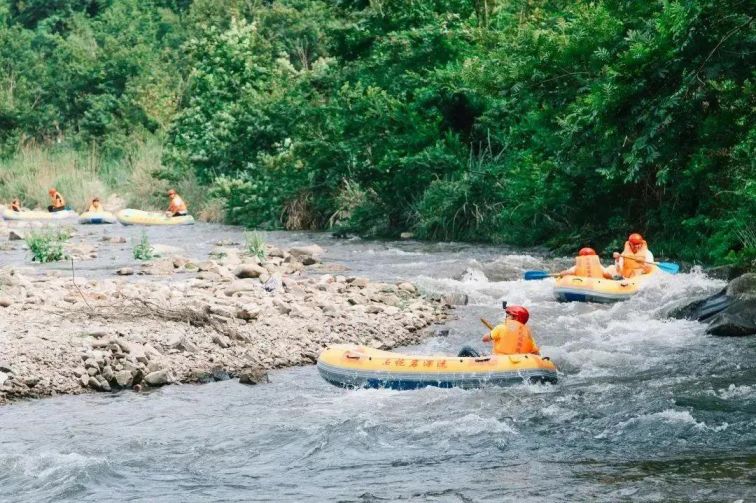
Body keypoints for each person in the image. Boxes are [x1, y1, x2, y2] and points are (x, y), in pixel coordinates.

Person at [458, 303, 540, 357]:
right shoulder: (529, 336)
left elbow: (484, 339)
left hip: (499, 362)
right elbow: (536, 353)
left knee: (466, 349)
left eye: (508, 316)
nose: (506, 318)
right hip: (518, 365)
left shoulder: (501, 328)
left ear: (515, 317)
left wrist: (494, 336)